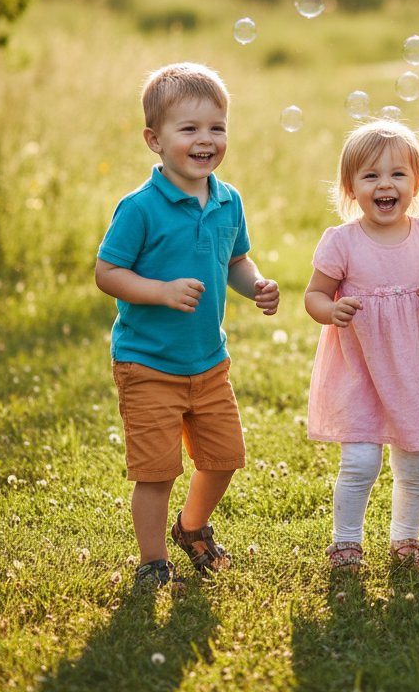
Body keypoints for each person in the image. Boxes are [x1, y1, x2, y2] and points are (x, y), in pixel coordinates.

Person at [96, 62, 280, 591]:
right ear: (154, 140)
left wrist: (256, 284)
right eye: (190, 129)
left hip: (208, 360)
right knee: (157, 472)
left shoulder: (228, 201)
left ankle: (192, 526)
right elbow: (108, 273)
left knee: (224, 458)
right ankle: (153, 561)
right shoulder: (140, 208)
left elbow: (235, 260)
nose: (206, 140)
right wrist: (160, 291)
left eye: (217, 127)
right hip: (148, 362)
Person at [304, 120, 419, 571]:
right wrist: (330, 310)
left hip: (411, 372)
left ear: (416, 182)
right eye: (370, 176)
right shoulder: (342, 242)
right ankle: (346, 543)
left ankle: (406, 539)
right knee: (359, 460)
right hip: (360, 371)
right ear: (351, 188)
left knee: (416, 461)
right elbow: (314, 295)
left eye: (397, 174)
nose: (385, 185)